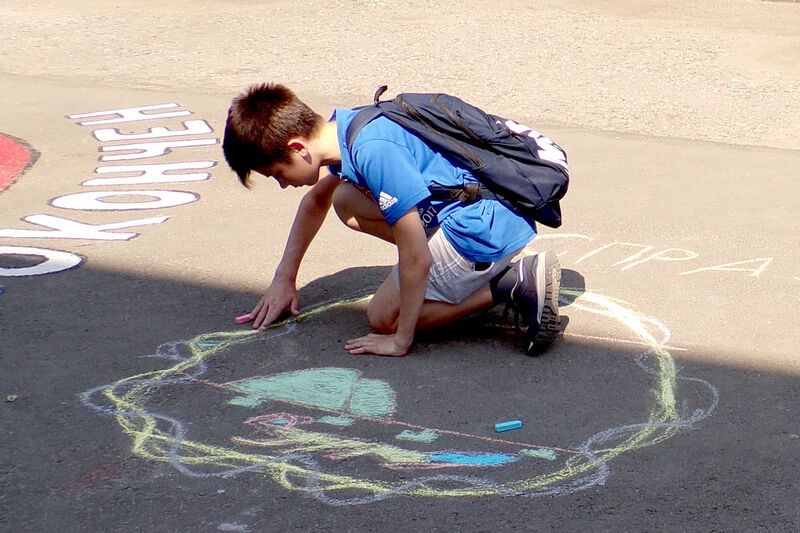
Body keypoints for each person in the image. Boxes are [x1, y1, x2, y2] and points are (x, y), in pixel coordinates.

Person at [222, 83, 561, 357]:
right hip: (481, 209)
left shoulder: (373, 151)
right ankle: (461, 272)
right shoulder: (345, 128)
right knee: (345, 200)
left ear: (297, 148)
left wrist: (401, 340)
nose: (283, 184)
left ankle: (513, 283)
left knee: (384, 317)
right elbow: (316, 200)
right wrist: (284, 278)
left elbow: (417, 259)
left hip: (484, 227)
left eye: (277, 173)